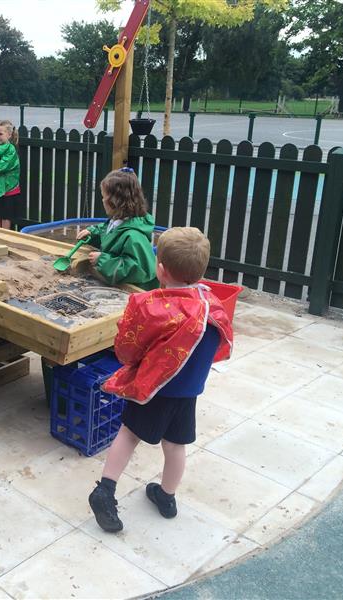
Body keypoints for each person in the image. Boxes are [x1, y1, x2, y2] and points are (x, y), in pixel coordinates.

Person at [87, 227, 234, 533]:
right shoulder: (214, 306)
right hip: (187, 393)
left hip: (153, 389)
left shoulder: (151, 305)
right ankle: (167, 497)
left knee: (128, 435)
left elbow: (127, 349)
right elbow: (220, 348)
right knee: (176, 445)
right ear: (203, 270)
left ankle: (105, 490)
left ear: (161, 269)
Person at [76, 168, 159, 290]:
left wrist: (102, 260)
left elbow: (135, 269)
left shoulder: (133, 236)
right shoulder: (118, 221)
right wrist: (92, 233)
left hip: (136, 292)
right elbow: (108, 234)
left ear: (116, 202)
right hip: (119, 284)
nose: (102, 200)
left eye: (104, 197)